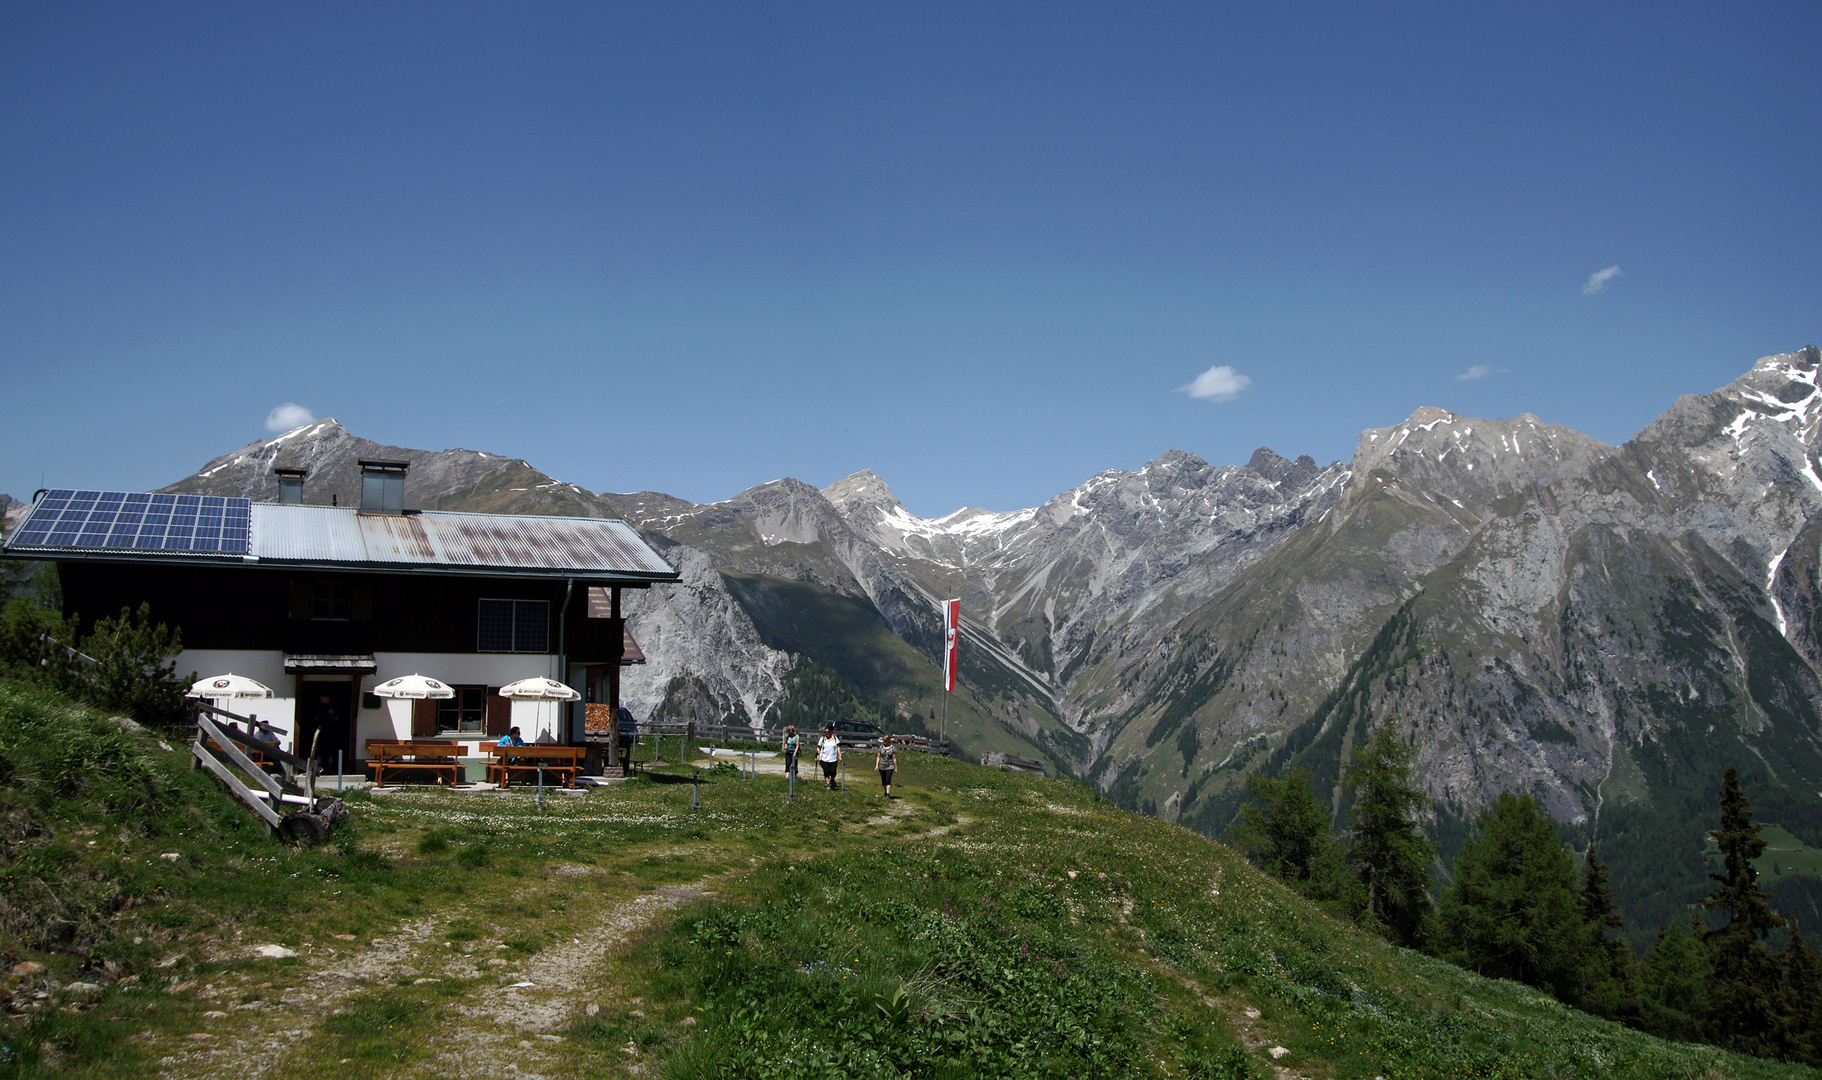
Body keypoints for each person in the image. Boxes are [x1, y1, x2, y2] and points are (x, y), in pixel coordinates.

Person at [816, 724, 842, 790]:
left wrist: (840, 755)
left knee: (833, 772)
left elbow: (838, 747)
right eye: (825, 731)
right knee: (826, 772)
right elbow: (819, 748)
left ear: (831, 731)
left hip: (833, 759)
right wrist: (818, 755)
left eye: (828, 731)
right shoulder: (822, 739)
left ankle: (832, 780)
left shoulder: (835, 739)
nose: (826, 733)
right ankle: (828, 783)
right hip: (824, 758)